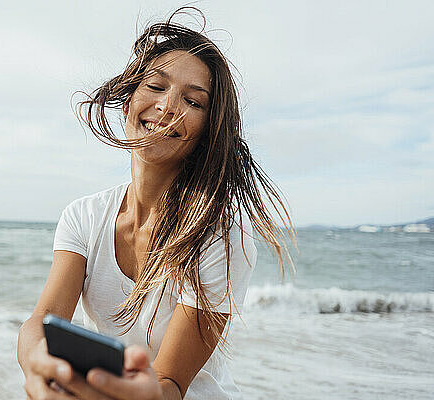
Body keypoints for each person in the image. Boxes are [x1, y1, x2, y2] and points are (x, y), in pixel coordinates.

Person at [18, 7, 294, 400]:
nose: (167, 107)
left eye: (194, 102)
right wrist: (38, 363)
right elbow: (40, 323)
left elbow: (170, 384)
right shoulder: (84, 217)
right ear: (129, 100)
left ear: (206, 131)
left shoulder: (219, 235)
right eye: (155, 86)